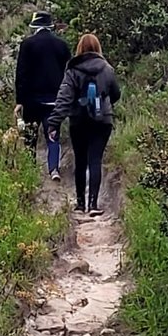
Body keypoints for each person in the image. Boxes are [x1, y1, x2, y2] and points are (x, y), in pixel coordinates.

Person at [47, 33, 120, 217]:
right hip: (102, 120)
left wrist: (54, 123)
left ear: (79, 48)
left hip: (78, 120)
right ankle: (93, 204)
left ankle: (80, 204)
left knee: (80, 161)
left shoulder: (72, 70)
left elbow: (64, 98)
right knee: (95, 159)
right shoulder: (107, 68)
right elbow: (116, 93)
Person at [14, 10, 71, 181]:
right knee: (52, 135)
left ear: (35, 26)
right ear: (50, 25)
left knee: (30, 136)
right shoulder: (62, 45)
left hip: (32, 101)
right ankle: (54, 169)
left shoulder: (27, 44)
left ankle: (30, 170)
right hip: (54, 100)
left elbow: (21, 74)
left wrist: (19, 101)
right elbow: (69, 73)